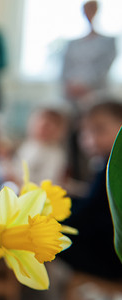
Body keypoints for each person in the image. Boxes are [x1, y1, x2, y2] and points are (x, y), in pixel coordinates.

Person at [60, 101, 122, 288]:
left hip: (113, 258)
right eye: (85, 132)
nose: (91, 139)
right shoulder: (104, 163)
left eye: (99, 130)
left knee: (47, 239)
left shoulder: (113, 166)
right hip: (108, 248)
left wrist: (52, 218)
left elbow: (88, 213)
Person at [61, 1, 116, 103]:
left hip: (96, 95)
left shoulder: (108, 42)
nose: (89, 13)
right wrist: (71, 86)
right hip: (71, 95)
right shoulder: (72, 44)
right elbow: (65, 69)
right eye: (86, 10)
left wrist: (86, 86)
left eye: (91, 9)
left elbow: (103, 68)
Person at [14, 108, 68, 185]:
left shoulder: (55, 154)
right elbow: (18, 167)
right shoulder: (29, 144)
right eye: (38, 124)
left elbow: (46, 181)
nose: (41, 130)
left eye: (47, 127)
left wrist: (17, 180)